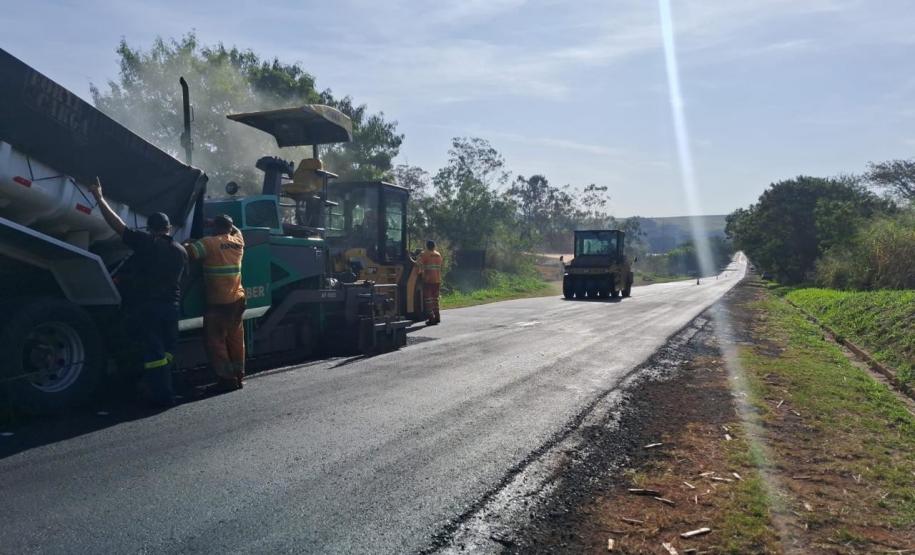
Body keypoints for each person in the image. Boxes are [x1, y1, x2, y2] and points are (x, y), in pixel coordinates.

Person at [89, 177, 186, 406]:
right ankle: (159, 387)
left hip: (148, 307)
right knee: (167, 350)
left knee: (154, 354)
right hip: (171, 307)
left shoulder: (147, 242)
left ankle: (161, 394)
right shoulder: (181, 251)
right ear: (168, 228)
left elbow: (118, 226)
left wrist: (99, 198)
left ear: (150, 229)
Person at [185, 215, 246, 391]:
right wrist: (222, 224)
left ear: (215, 227)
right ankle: (238, 375)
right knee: (236, 339)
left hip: (219, 303)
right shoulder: (238, 241)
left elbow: (187, 253)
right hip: (238, 300)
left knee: (215, 341)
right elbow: (236, 230)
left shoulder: (208, 243)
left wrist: (187, 242)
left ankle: (227, 380)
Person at [417, 240, 443, 325]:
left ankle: (431, 318)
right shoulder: (438, 254)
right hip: (437, 280)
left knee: (428, 300)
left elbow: (417, 264)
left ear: (427, 246)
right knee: (435, 299)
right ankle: (437, 317)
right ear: (434, 246)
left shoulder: (424, 254)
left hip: (428, 280)